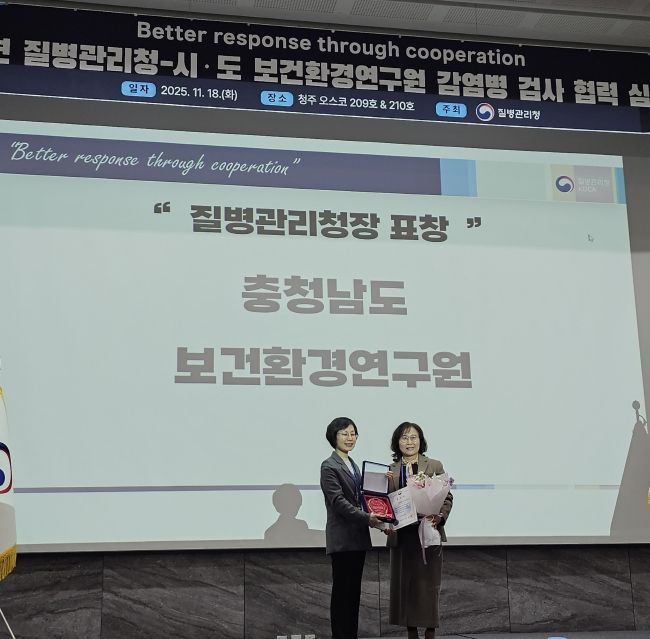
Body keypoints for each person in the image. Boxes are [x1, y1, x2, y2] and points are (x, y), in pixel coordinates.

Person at [386, 421, 453, 639]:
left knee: (428, 585)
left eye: (413, 437)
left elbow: (447, 496)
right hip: (403, 536)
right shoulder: (390, 470)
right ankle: (411, 631)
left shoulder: (434, 465)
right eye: (404, 437)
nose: (409, 442)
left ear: (420, 440)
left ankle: (430, 631)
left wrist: (439, 517)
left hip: (428, 533)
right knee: (406, 586)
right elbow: (386, 501)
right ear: (397, 442)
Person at [320, 416, 383, 639]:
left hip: (357, 538)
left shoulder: (353, 464)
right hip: (342, 539)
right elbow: (338, 502)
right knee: (342, 595)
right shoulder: (329, 465)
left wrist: (383, 483)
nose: (350, 438)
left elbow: (361, 497)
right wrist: (367, 518)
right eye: (344, 433)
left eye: (353, 433)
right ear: (333, 436)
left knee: (353, 595)